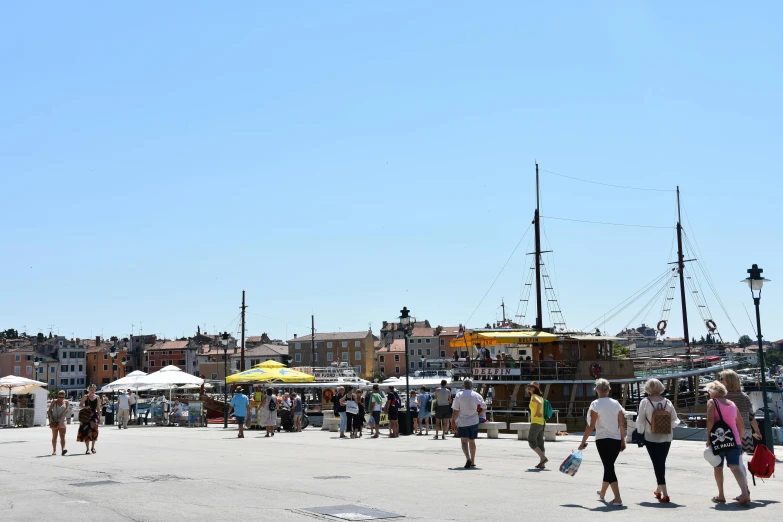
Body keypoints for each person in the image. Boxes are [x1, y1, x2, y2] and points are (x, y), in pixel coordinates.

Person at [579, 378, 626, 506]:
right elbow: (621, 424)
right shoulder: (616, 403)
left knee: (609, 467)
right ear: (609, 389)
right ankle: (602, 494)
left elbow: (591, 425)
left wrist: (583, 441)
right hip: (616, 440)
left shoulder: (595, 404)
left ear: (596, 389)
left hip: (602, 440)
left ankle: (618, 498)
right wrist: (623, 440)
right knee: (608, 466)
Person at [705, 380, 750, 505]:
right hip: (734, 440)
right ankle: (745, 494)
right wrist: (738, 441)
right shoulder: (732, 404)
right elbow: (741, 425)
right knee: (735, 467)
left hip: (718, 440)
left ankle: (721, 495)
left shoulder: (712, 402)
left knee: (718, 468)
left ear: (712, 392)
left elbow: (710, 421)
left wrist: (709, 438)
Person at [636, 378, 679, 503]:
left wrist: (639, 434)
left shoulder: (645, 402)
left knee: (657, 464)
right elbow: (675, 420)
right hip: (666, 436)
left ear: (648, 388)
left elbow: (640, 420)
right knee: (661, 462)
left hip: (651, 436)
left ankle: (665, 494)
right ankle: (658, 490)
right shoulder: (668, 402)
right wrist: (666, 426)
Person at [720, 370, 763, 455]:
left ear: (728, 381)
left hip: (728, 432)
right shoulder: (745, 397)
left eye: (722, 378)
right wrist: (757, 432)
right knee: (737, 459)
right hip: (745, 434)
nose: (720, 381)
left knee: (733, 462)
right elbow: (751, 417)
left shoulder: (723, 398)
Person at [451, 378, 486, 468]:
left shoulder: (459, 395)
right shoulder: (476, 395)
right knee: (472, 441)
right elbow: (484, 407)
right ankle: (473, 461)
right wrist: (479, 414)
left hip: (463, 421)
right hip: (474, 421)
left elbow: (456, 411)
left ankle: (468, 458)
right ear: (472, 386)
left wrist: (453, 421)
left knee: (464, 442)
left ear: (463, 386)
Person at [527, 382, 547, 469]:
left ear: (536, 389)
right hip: (542, 422)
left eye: (532, 387)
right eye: (529, 386)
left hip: (536, 422)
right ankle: (542, 463)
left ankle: (543, 458)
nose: (529, 388)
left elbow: (539, 404)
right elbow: (541, 403)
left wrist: (538, 412)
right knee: (540, 443)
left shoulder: (534, 396)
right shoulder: (540, 397)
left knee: (531, 441)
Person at [78, 384, 102, 455]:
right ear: (89, 389)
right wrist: (85, 407)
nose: (93, 391)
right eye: (91, 389)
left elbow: (98, 407)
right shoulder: (86, 396)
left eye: (94, 389)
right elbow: (80, 405)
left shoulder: (97, 397)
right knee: (87, 431)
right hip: (86, 415)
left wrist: (99, 416)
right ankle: (87, 449)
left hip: (94, 415)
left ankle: (93, 447)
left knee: (94, 431)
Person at [48, 390, 69, 456]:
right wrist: (51, 418)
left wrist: (60, 418)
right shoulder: (54, 401)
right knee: (54, 436)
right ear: (58, 396)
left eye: (63, 397)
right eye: (60, 397)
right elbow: (49, 410)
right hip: (54, 420)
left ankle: (63, 449)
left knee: (62, 436)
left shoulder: (66, 402)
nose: (61, 398)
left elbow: (66, 410)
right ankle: (54, 450)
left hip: (62, 421)